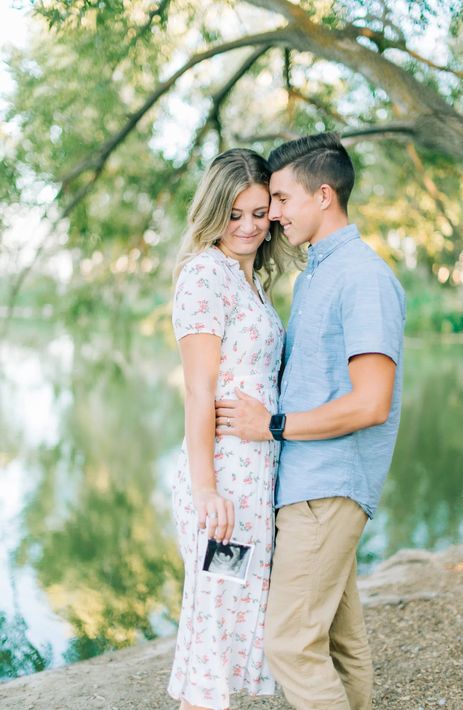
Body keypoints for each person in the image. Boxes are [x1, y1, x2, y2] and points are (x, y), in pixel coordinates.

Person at [215, 132, 406, 710]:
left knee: (290, 643)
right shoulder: (316, 275)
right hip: (307, 486)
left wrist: (269, 425)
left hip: (327, 488)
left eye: (280, 199)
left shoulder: (362, 277)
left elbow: (371, 402)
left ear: (324, 196)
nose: (272, 214)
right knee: (341, 644)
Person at [168, 148, 293, 710]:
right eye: (234, 213)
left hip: (254, 475)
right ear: (213, 211)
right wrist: (205, 490)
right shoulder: (204, 276)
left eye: (259, 213)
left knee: (236, 630)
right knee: (212, 640)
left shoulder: (254, 284)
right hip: (223, 482)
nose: (247, 226)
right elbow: (199, 390)